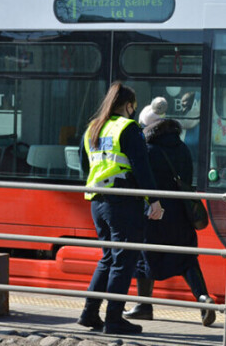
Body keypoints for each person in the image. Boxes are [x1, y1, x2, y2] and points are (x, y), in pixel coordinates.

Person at [76, 82, 163, 335]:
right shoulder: (128, 128)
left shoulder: (93, 128)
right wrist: (154, 200)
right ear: (128, 106)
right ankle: (114, 319)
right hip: (122, 202)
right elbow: (141, 166)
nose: (133, 111)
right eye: (133, 107)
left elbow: (85, 166)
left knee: (108, 258)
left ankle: (90, 313)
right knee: (123, 262)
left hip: (98, 202)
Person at [124, 116, 216, 327]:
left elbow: (141, 178)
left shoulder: (148, 150)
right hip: (181, 212)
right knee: (186, 260)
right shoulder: (182, 147)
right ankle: (203, 300)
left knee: (144, 258)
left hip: (156, 212)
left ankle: (144, 306)